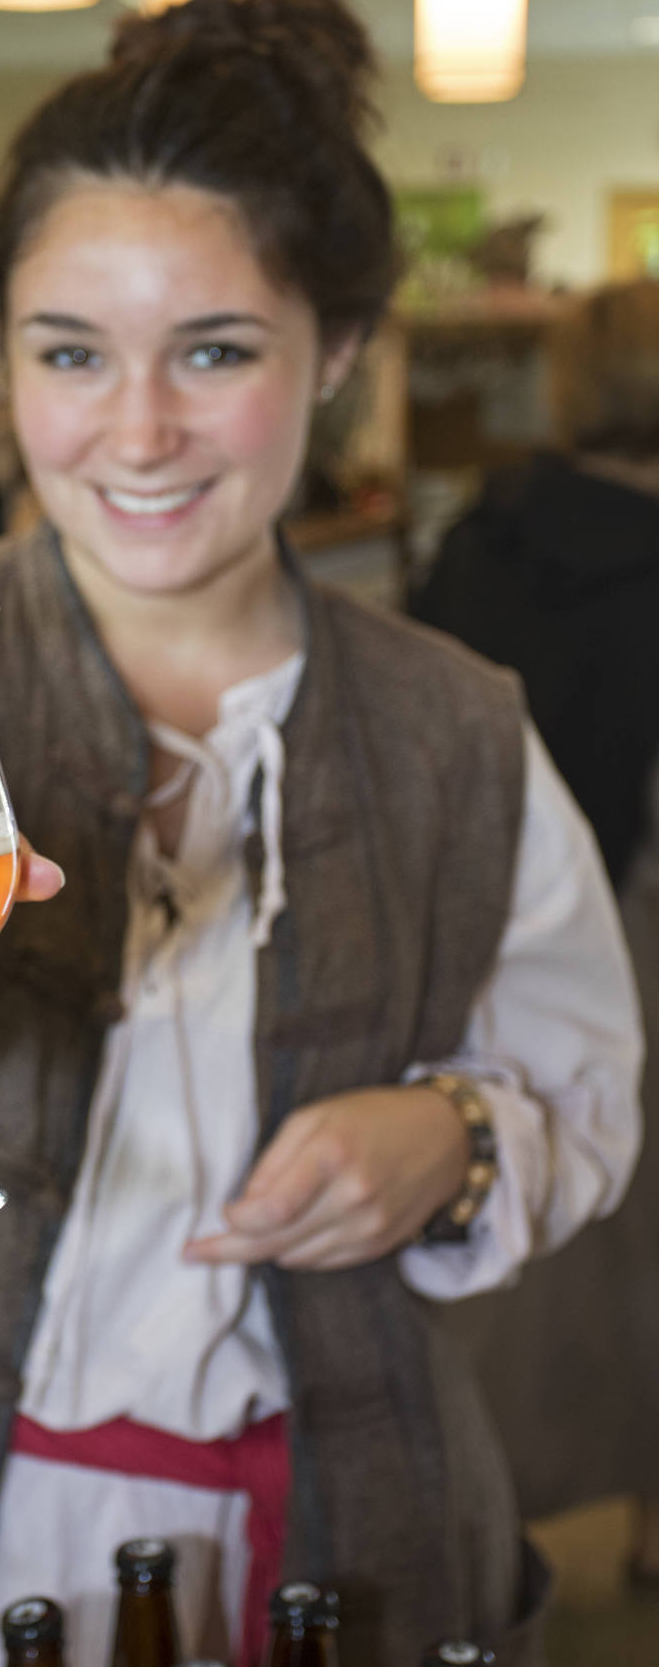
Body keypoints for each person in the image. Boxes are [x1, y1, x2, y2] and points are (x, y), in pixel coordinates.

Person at [0, 0, 641, 1667]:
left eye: (218, 352)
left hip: (344, 1544)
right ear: (3, 354)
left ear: (339, 353)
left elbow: (586, 1093)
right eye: (72, 354)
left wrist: (457, 1140)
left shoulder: (460, 729)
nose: (140, 431)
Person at [412, 278, 659, 1581]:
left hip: (468, 924)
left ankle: (488, 1508)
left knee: (505, 1233)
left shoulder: (484, 531)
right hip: (632, 921)